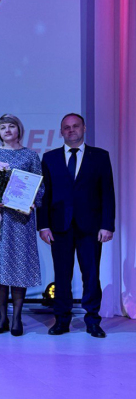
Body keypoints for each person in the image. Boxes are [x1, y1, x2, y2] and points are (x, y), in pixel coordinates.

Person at [38, 113, 115, 338]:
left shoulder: (100, 156)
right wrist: (43, 225)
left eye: (75, 126)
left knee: (91, 275)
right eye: (67, 127)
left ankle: (93, 321)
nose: (71, 130)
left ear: (84, 128)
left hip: (91, 227)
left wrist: (107, 225)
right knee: (62, 275)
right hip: (59, 226)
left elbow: (107, 193)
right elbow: (44, 195)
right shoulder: (49, 158)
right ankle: (61, 320)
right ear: (61, 131)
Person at [0, 114, 44, 337]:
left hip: (20, 221)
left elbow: (39, 186)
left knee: (18, 266)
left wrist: (33, 201)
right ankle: (2, 317)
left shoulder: (30, 155)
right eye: (3, 127)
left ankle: (17, 317)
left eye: (11, 126)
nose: (7, 130)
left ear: (19, 129)